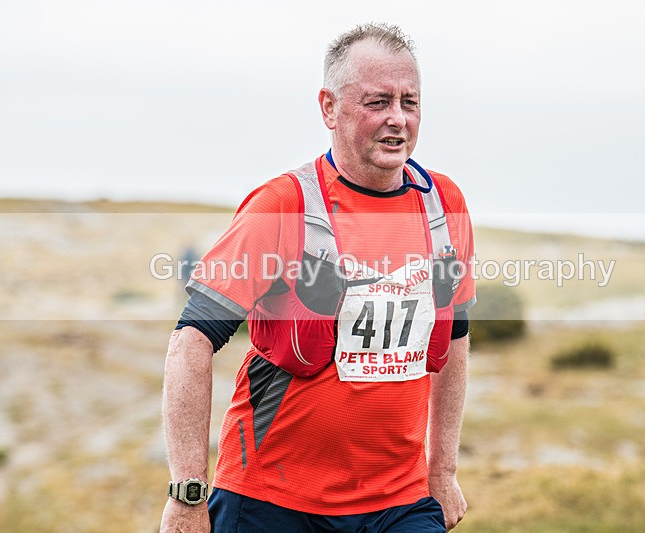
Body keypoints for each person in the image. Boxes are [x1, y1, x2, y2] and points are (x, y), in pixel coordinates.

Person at [161, 23, 476, 532]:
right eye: (377, 102)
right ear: (329, 108)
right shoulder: (282, 205)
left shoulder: (444, 205)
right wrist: (187, 492)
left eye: (410, 102)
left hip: (399, 503)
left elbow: (455, 341)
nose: (398, 118)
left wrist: (442, 470)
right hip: (270, 501)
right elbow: (190, 341)